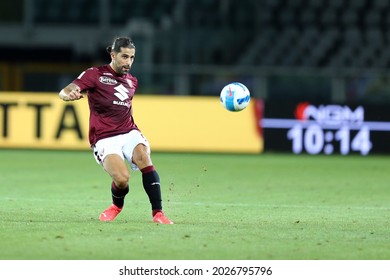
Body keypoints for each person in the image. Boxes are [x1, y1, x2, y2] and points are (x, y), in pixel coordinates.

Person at [58, 36, 173, 224]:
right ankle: (116, 206)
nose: (129, 62)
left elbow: (126, 107)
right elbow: (66, 89)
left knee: (144, 157)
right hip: (104, 137)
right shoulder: (94, 74)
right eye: (124, 57)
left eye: (132, 58)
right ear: (113, 55)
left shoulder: (132, 82)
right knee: (122, 179)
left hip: (128, 131)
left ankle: (158, 213)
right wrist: (68, 94)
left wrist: (133, 132)